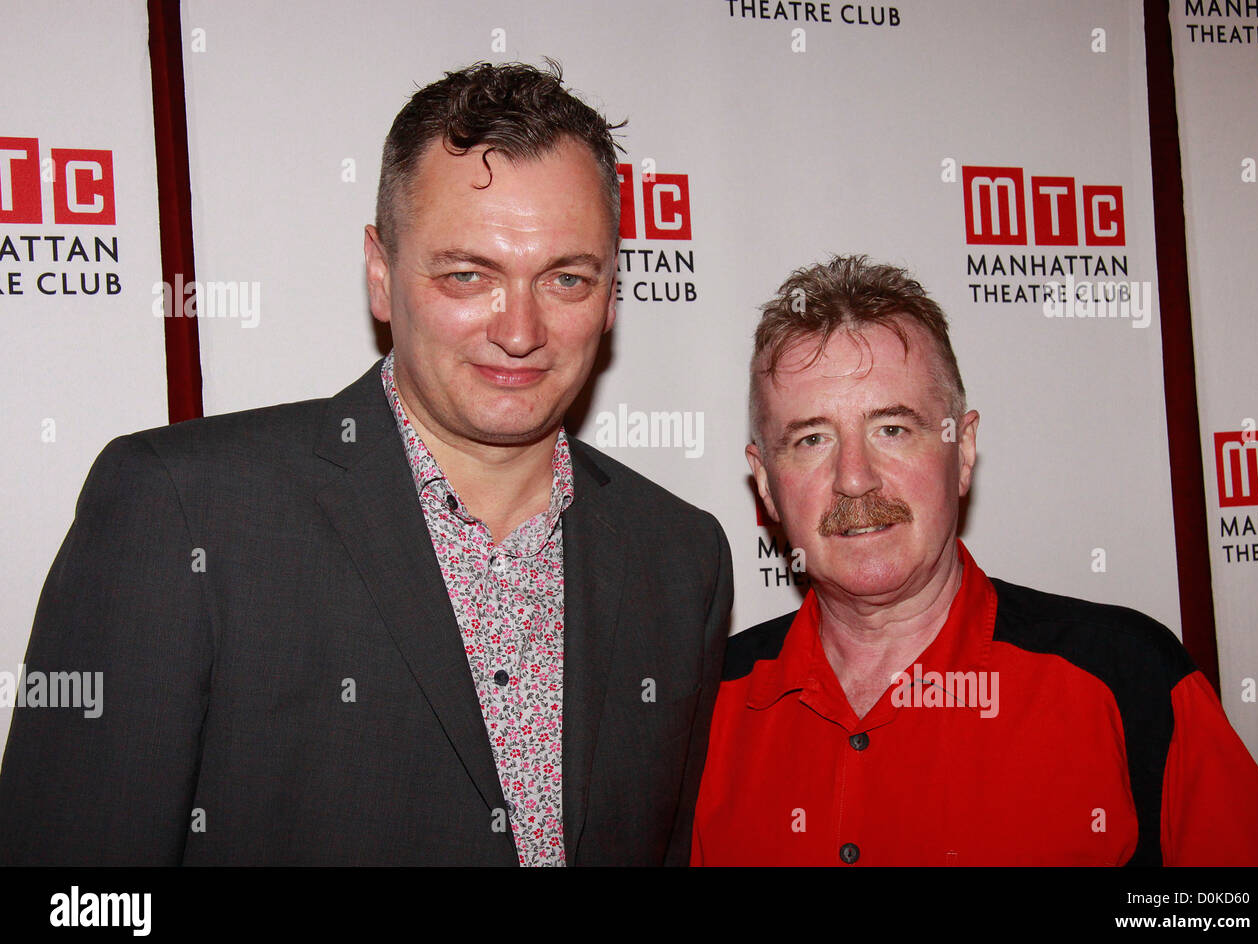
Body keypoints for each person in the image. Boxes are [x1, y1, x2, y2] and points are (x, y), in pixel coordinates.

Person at [0, 61, 732, 866]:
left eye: (565, 277)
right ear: (382, 275)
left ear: (612, 291)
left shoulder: (679, 557)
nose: (520, 329)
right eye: (467, 275)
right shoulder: (184, 513)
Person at [691, 255, 1258, 866]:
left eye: (893, 429)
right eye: (812, 439)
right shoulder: (700, 711)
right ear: (766, 481)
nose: (855, 479)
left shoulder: (1125, 678)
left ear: (964, 449)